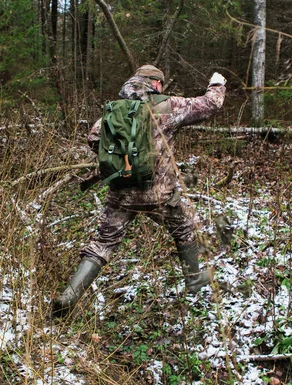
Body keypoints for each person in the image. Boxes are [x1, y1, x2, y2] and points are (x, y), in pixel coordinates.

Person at [53, 65, 226, 318]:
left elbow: (93, 139)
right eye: (161, 85)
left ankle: (69, 296)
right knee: (185, 229)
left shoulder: (114, 109)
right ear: (156, 84)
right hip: (160, 195)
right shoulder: (168, 105)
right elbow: (209, 106)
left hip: (121, 193)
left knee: (103, 243)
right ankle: (194, 284)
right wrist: (217, 84)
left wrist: (123, 160)